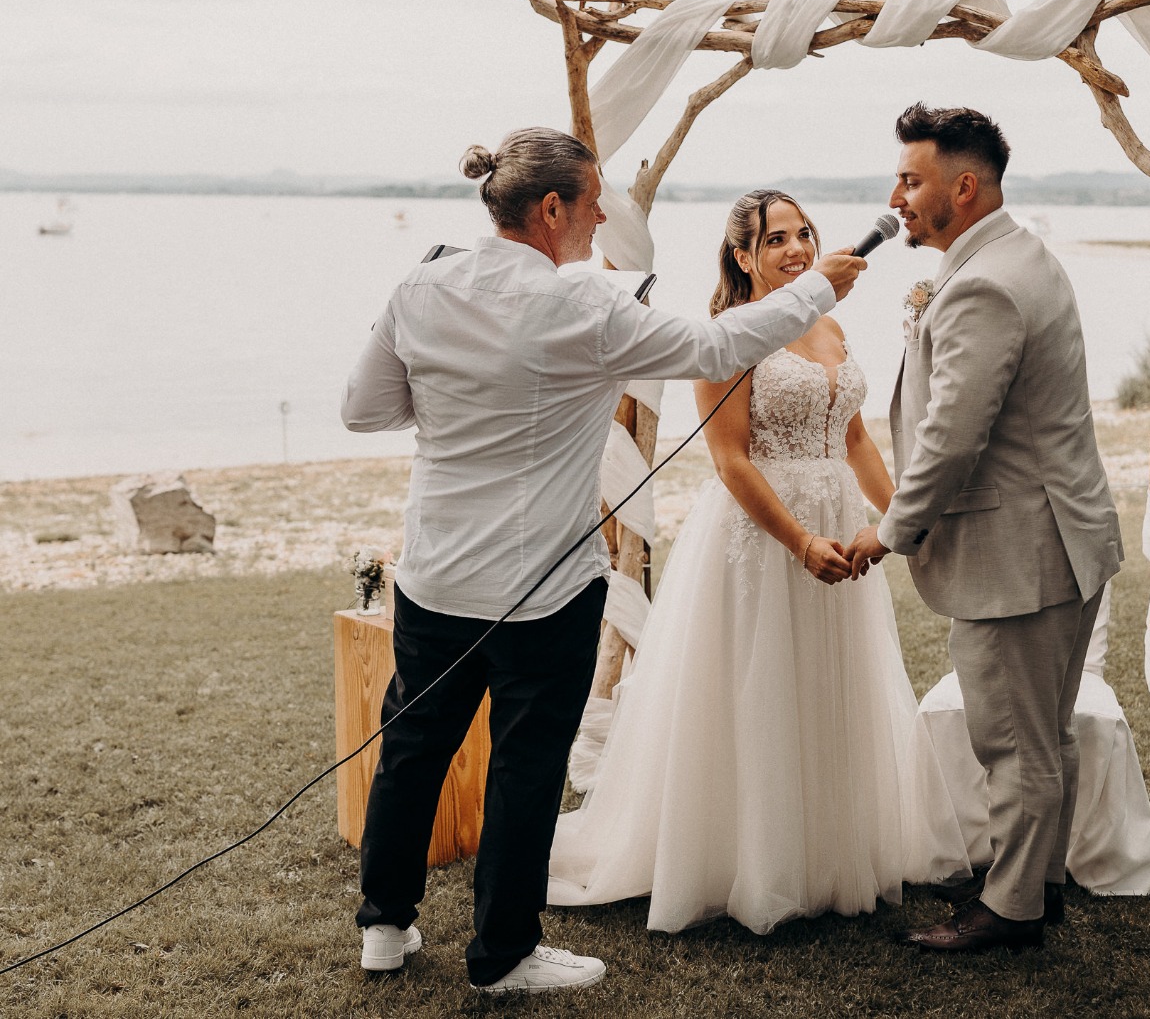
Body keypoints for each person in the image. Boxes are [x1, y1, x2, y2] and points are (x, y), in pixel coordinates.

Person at [340, 130, 865, 994]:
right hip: (544, 592)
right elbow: (716, 348)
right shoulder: (584, 304)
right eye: (594, 204)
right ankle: (502, 955)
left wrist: (456, 402)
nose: (601, 219)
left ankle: (384, 931)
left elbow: (364, 410)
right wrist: (817, 289)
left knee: (412, 750)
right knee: (526, 767)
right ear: (552, 209)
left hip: (435, 577)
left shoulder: (420, 283)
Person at [545, 189, 971, 934]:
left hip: (839, 525)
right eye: (776, 239)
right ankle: (750, 856)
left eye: (803, 233)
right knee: (759, 688)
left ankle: (828, 850)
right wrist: (799, 541)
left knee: (831, 681)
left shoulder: (829, 325)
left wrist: (903, 520)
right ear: (742, 256)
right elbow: (731, 461)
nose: (797, 248)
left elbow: (854, 439)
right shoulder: (728, 337)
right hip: (761, 538)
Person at [845, 103, 1124, 952]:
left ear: (963, 188)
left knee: (1011, 740)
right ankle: (1035, 883)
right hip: (1060, 536)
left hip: (1020, 553)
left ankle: (1009, 911)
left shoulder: (984, 284)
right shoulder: (1019, 254)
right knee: (1044, 734)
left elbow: (951, 438)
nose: (896, 196)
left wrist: (889, 530)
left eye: (911, 179)